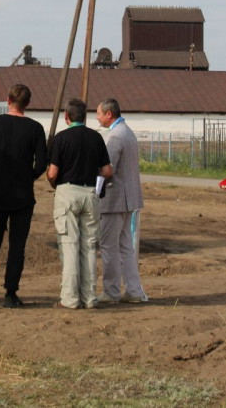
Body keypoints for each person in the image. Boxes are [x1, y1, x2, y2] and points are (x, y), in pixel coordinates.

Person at [0, 84, 47, 308]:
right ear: (28, 103)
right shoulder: (35, 128)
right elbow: (41, 164)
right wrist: (28, 177)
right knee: (17, 246)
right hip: (22, 196)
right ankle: (10, 293)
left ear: (8, 100)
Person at [46, 98, 113, 310]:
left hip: (67, 192)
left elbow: (53, 173)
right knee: (89, 247)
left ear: (66, 116)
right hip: (90, 193)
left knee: (69, 246)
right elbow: (107, 170)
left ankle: (70, 298)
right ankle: (90, 297)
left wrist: (53, 183)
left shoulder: (61, 138)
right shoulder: (96, 138)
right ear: (84, 116)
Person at [95, 98, 147, 304]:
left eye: (99, 114)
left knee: (109, 246)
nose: (97, 118)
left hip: (115, 198)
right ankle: (134, 291)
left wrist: (90, 175)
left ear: (109, 114)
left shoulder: (115, 135)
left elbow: (108, 169)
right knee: (125, 246)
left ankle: (111, 292)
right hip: (128, 198)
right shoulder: (127, 131)